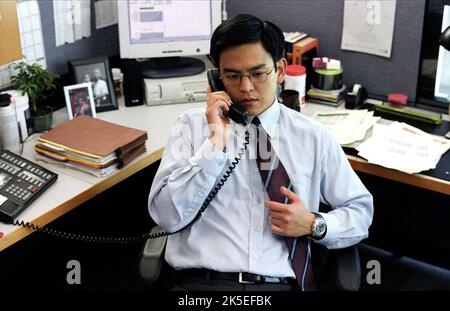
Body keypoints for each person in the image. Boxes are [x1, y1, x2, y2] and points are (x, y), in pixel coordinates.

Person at [148, 14, 373, 291]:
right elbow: (166, 217)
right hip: (203, 285)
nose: (245, 87)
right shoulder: (190, 128)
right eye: (232, 76)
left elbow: (361, 212)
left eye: (257, 73)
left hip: (278, 285)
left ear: (279, 70)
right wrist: (215, 143)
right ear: (217, 77)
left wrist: (314, 224)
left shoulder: (314, 136)